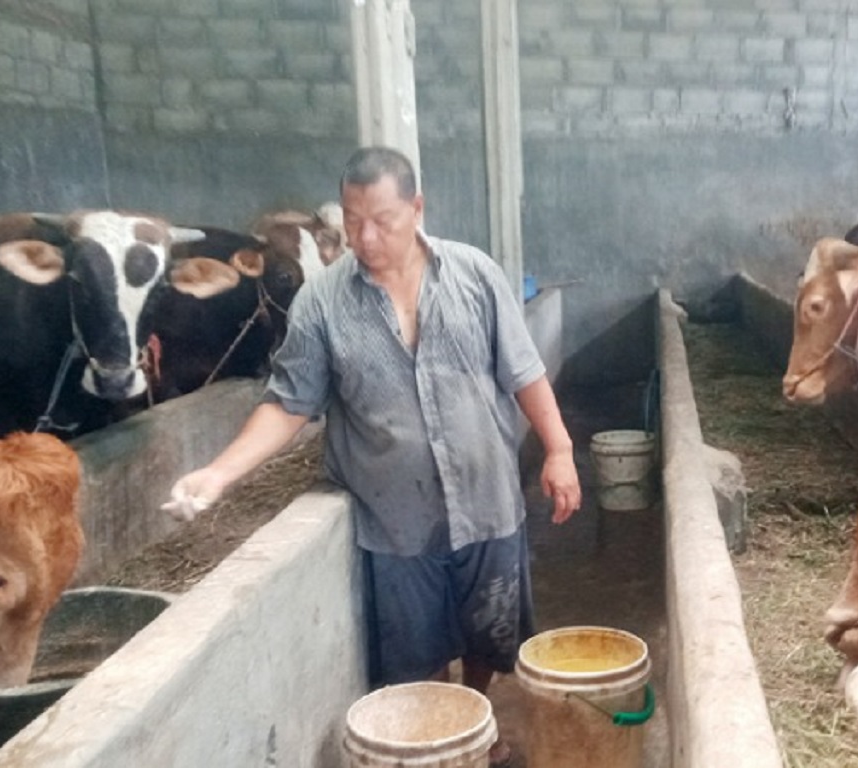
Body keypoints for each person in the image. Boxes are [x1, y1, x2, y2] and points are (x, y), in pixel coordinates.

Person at [162, 146, 581, 767]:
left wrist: (560, 449)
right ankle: (444, 739)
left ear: (417, 208)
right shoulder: (323, 303)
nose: (365, 236)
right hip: (396, 521)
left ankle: (476, 719)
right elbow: (288, 404)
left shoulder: (476, 275)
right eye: (353, 221)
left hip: (488, 500)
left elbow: (523, 372)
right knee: (418, 650)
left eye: (381, 219)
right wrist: (219, 472)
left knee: (491, 635)